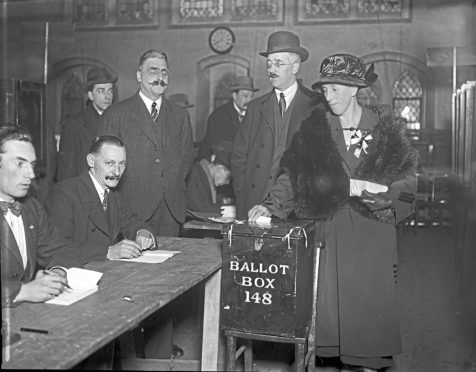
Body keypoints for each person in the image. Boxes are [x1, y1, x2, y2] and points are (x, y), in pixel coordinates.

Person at [257, 54, 419, 371]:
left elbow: (408, 179)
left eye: (335, 89)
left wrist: (389, 198)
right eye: (325, 90)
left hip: (371, 240)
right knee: (326, 331)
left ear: (354, 88)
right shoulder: (315, 130)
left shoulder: (386, 128)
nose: (329, 97)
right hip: (329, 240)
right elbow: (292, 175)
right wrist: (270, 204)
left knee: (368, 338)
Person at [98, 50, 194, 237]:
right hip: (131, 212)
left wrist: (169, 185)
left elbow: (186, 159)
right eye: (153, 70)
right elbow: (105, 166)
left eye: (164, 72)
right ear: (139, 75)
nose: (160, 77)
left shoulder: (180, 116)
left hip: (170, 211)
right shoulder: (116, 114)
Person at [231, 31, 320, 219]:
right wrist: (244, 192)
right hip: (253, 208)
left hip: (296, 210)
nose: (272, 69)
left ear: (295, 66)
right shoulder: (256, 107)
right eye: (269, 63)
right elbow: (239, 156)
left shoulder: (314, 106)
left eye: (279, 63)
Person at [0, 124, 81, 307]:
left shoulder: (31, 208)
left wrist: (57, 273)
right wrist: (23, 291)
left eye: (32, 165)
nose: (31, 174)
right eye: (20, 163)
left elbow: (62, 249)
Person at [44, 135, 156, 265]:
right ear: (91, 161)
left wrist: (143, 233)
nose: (117, 172)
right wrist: (107, 252)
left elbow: (133, 222)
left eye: (122, 164)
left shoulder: (114, 197)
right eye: (110, 163)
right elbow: (58, 246)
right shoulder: (64, 193)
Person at [57, 67, 117, 181]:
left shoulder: (119, 121)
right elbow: (65, 174)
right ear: (90, 95)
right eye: (101, 91)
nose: (107, 96)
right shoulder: (74, 124)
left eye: (110, 90)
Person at [198, 75, 258, 160]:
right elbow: (220, 148)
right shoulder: (218, 116)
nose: (249, 100)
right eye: (245, 96)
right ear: (234, 96)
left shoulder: (255, 115)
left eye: (251, 96)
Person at [186, 140, 232, 213]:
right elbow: (200, 207)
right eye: (227, 178)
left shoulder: (206, 177)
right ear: (218, 168)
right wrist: (225, 211)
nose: (227, 183)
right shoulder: (195, 174)